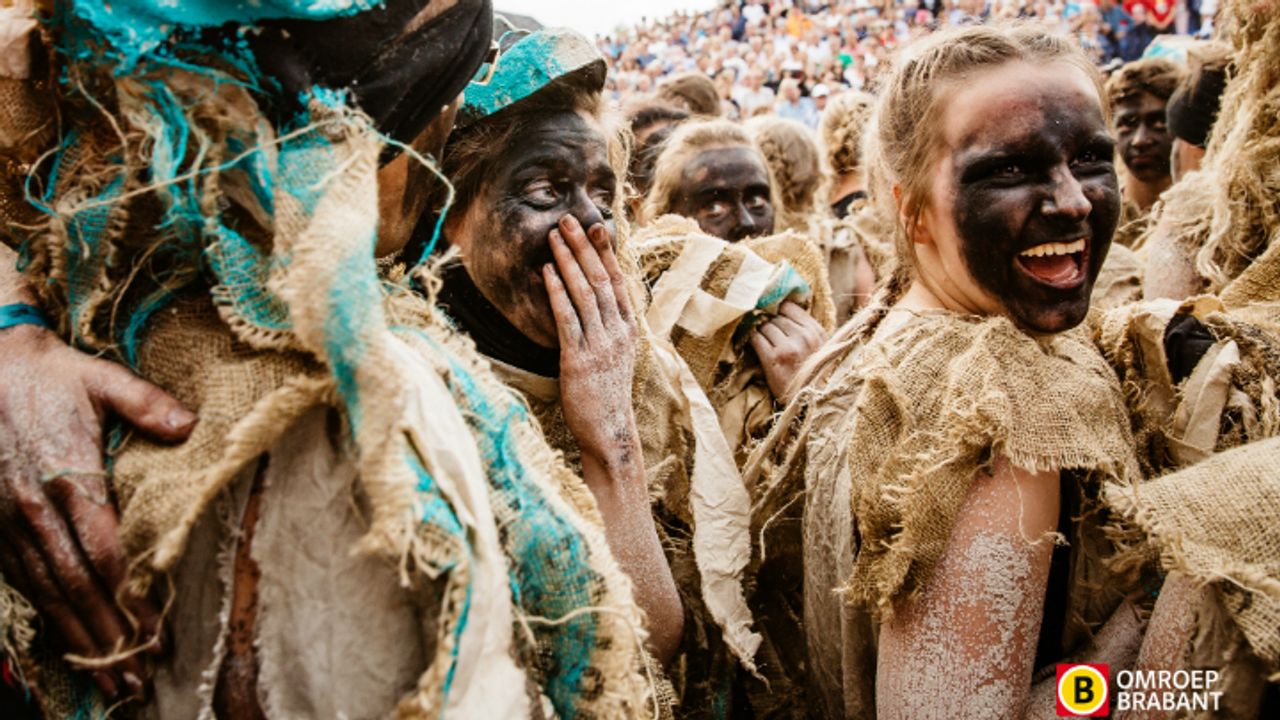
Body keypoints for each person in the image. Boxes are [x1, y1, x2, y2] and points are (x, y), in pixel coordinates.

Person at [3, 3, 663, 718]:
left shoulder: (645, 373)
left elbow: (658, 643)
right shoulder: (366, 404)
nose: (593, 227)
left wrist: (613, 440)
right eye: (545, 190)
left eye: (603, 193)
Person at [798, 24, 1150, 718]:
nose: (1074, 200)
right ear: (913, 211)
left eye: (1088, 157)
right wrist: (1159, 624)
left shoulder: (875, 331)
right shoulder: (995, 410)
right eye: (1008, 170)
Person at [1107, 57, 1183, 213]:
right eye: (1127, 125)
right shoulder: (1099, 214)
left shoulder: (1206, 217)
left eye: (1159, 124)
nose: (1139, 140)